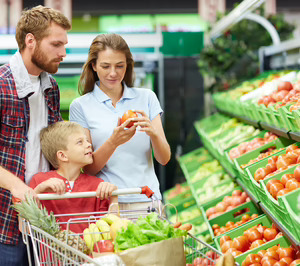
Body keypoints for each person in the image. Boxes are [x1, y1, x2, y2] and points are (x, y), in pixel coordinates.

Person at [0, 5, 71, 265]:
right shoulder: (2, 85)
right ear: (31, 41)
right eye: (56, 44)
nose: (63, 53)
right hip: (5, 220)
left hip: (44, 217)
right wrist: (18, 186)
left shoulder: (50, 86)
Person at [69, 33, 171, 211]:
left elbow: (164, 159)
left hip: (147, 200)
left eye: (120, 66)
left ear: (128, 66)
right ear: (93, 66)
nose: (113, 73)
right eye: (105, 66)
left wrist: (153, 134)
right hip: (107, 204)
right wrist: (114, 142)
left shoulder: (147, 98)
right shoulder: (80, 106)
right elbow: (88, 170)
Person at [29, 121, 118, 233]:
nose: (89, 144)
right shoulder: (40, 181)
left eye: (86, 140)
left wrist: (114, 196)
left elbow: (110, 229)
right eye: (80, 142)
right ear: (62, 155)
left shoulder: (97, 185)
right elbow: (27, 227)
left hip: (89, 250)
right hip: (51, 249)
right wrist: (39, 190)